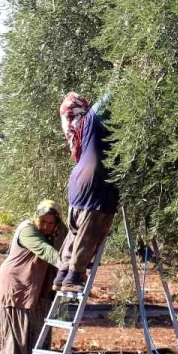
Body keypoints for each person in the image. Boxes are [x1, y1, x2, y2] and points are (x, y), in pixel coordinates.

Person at [0, 199, 67, 354]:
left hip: (41, 287)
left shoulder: (60, 231)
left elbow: (70, 246)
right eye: (43, 221)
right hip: (18, 284)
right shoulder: (27, 229)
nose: (46, 226)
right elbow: (46, 252)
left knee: (39, 328)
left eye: (51, 223)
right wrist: (71, 268)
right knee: (18, 330)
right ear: (37, 217)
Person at [53, 92, 119, 293]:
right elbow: (108, 97)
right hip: (94, 187)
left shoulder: (79, 132)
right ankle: (74, 277)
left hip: (77, 186)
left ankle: (62, 275)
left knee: (75, 232)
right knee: (89, 233)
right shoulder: (91, 120)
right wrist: (120, 71)